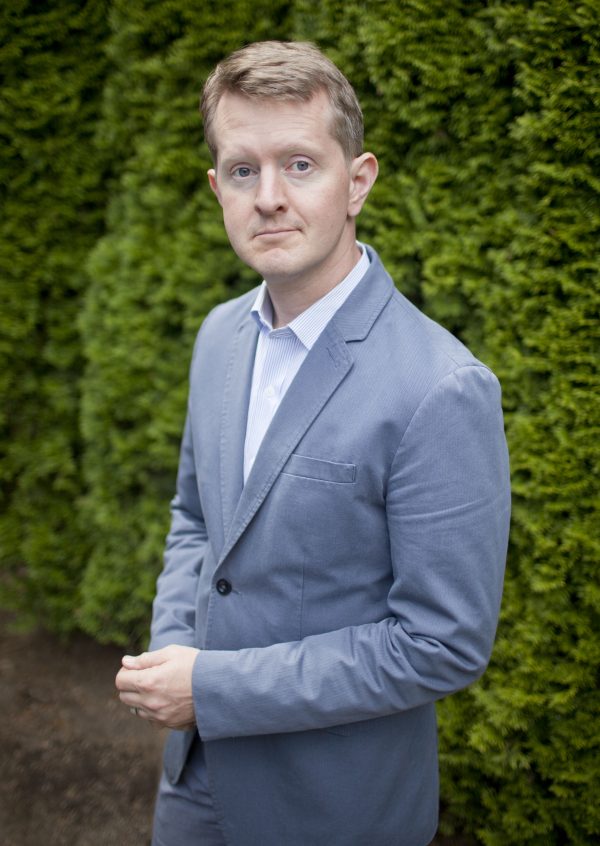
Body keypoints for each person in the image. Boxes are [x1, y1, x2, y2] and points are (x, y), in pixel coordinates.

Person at [116, 40, 511, 846]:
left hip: (334, 809)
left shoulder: (441, 386)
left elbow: (441, 644)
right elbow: (195, 520)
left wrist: (213, 688)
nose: (268, 198)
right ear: (217, 188)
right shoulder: (218, 336)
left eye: (299, 165)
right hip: (193, 783)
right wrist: (175, 649)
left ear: (357, 180)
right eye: (243, 170)